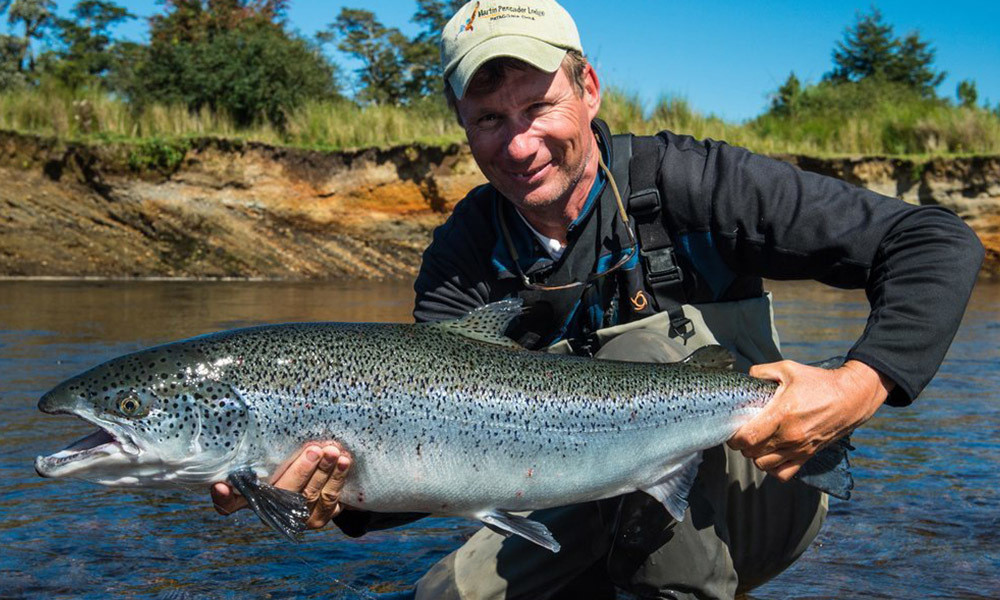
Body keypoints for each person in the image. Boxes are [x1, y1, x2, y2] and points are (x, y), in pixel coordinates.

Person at [211, 1, 984, 597]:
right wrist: (340, 498)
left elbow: (934, 243)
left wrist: (859, 383)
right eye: (489, 119)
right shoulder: (462, 255)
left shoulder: (694, 183)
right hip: (577, 485)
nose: (518, 145)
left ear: (588, 89)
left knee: (660, 560)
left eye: (537, 106)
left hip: (755, 476)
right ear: (461, 125)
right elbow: (444, 456)